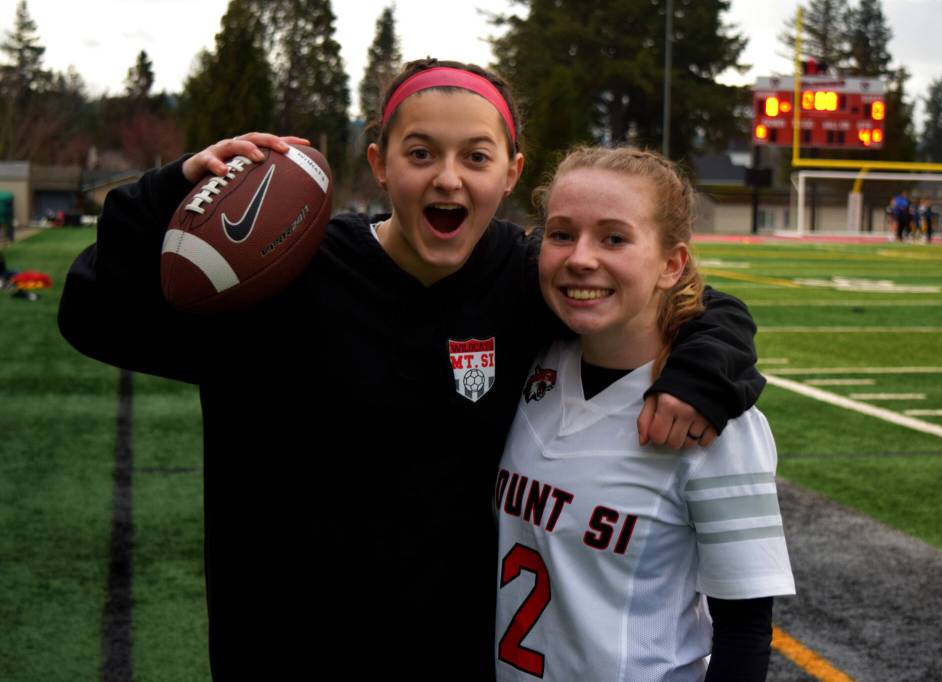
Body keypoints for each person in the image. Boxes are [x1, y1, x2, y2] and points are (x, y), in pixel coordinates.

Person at [58, 59, 764, 678]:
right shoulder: (282, 277)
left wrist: (707, 363)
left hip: (455, 661)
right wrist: (174, 188)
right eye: (421, 153)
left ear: (511, 172)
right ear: (380, 163)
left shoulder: (523, 281)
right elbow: (93, 310)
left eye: (476, 157)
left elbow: (677, 300)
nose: (447, 178)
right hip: (283, 654)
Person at [495, 147, 794, 681]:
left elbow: (744, 630)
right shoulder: (532, 363)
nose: (581, 257)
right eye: (562, 234)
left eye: (614, 238)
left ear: (671, 264)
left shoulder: (717, 422)